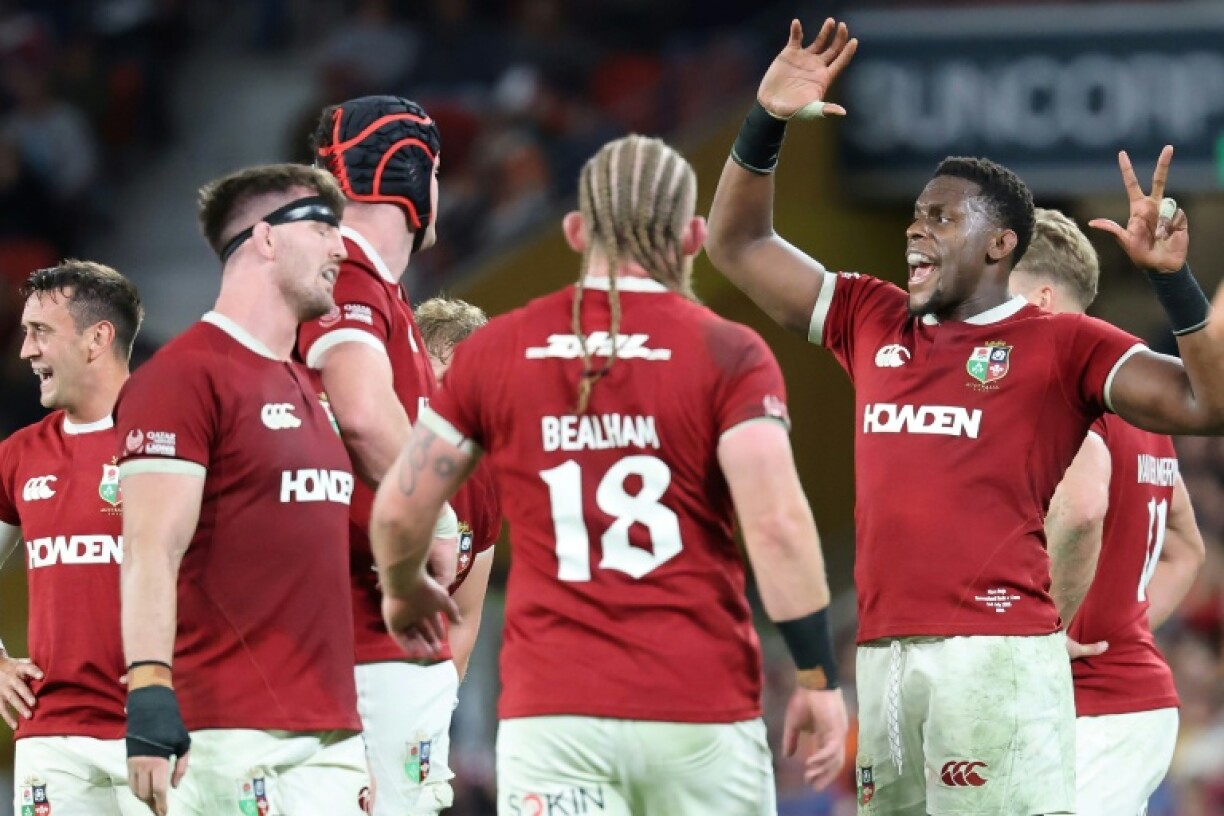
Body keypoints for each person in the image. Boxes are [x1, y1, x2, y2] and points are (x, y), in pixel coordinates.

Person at [705, 17, 1224, 815]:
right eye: (916, 213)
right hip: (882, 653)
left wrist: (1174, 284)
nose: (917, 227)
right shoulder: (868, 316)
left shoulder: (1063, 345)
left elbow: (1208, 405)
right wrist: (765, 121)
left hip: (995, 658)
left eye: (943, 218)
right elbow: (736, 243)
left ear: (999, 246)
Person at [369, 133, 849, 816]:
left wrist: (401, 592)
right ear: (691, 236)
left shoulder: (495, 352)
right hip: (699, 709)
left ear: (573, 230)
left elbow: (399, 511)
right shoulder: (728, 351)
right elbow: (776, 525)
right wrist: (818, 677)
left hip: (555, 718)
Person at [115, 163, 368, 816]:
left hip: (332, 734)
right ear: (265, 239)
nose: (342, 247)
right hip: (227, 738)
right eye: (324, 227)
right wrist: (148, 693)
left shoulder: (308, 387)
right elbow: (149, 548)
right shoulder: (183, 376)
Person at [296, 94, 463, 816]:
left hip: (378, 644)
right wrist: (442, 518)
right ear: (415, 176)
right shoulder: (349, 277)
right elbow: (364, 415)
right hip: (362, 644)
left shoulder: (384, 294)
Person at [1010, 208, 1206, 816]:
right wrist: (1128, 626)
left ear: (1041, 301)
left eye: (997, 300)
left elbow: (1084, 507)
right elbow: (1184, 545)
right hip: (1127, 705)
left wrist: (1046, 639)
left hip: (1091, 707)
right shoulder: (1137, 405)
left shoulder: (1067, 403)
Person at [0, 260, 145, 815]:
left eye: (40, 332)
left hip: (164, 725)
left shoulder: (179, 436)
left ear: (97, 339)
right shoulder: (19, 454)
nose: (24, 351)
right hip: (51, 733)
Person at [414, 295, 501, 681]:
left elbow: (463, 618)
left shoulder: (485, 480)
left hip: (418, 696)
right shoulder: (357, 459)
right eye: (439, 386)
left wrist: (437, 701)